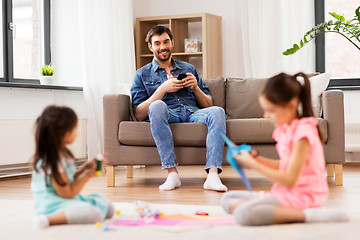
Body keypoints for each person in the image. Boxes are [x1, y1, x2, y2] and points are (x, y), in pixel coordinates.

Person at [221, 72, 348, 226]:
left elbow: (289, 179)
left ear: (291, 105)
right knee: (227, 199)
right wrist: (256, 160)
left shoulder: (303, 134)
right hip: (285, 193)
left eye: (271, 110)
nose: (267, 115)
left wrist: (254, 165)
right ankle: (271, 208)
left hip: (304, 197)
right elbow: (285, 166)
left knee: (243, 214)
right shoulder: (286, 130)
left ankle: (307, 215)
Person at [130, 25, 227, 192]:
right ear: (150, 46)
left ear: (172, 42)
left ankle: (212, 175)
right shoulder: (142, 74)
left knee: (218, 111)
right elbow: (138, 114)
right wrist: (162, 89)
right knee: (157, 106)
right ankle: (172, 173)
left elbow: (209, 105)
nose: (162, 47)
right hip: (169, 113)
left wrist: (196, 88)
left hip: (193, 113)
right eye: (157, 43)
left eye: (166, 42)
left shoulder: (188, 68)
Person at [31, 105, 114, 229]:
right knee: (95, 214)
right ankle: (47, 219)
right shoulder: (52, 160)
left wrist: (85, 168)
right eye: (75, 128)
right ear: (64, 134)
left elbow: (67, 180)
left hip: (63, 198)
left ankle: (66, 213)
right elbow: (67, 193)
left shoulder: (62, 154)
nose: (76, 132)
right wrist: (87, 176)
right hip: (51, 203)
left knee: (108, 208)